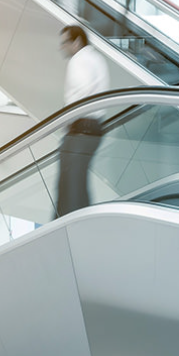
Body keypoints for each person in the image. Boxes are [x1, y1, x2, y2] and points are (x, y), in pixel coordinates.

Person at [56, 26, 110, 217]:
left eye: (65, 43)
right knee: (78, 182)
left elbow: (81, 92)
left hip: (81, 128)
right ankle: (81, 221)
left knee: (68, 184)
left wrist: (65, 120)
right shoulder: (96, 58)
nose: (62, 47)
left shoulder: (78, 60)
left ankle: (63, 224)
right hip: (95, 128)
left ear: (77, 42)